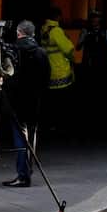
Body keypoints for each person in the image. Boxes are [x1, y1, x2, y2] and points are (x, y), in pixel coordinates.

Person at [2, 20, 50, 188]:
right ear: (33, 34)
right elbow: (46, 78)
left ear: (18, 32)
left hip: (17, 100)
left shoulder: (13, 50)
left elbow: (7, 75)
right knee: (32, 135)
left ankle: (23, 174)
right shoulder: (41, 53)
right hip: (35, 100)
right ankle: (28, 169)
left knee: (19, 137)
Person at [40, 7, 75, 136]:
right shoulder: (56, 31)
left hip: (49, 69)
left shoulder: (44, 29)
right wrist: (72, 59)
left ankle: (51, 126)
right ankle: (61, 127)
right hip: (61, 69)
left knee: (51, 101)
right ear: (58, 17)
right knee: (63, 102)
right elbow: (68, 49)